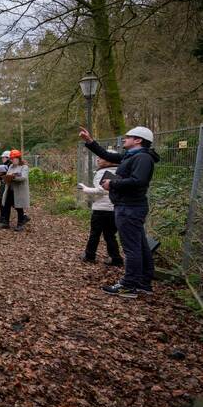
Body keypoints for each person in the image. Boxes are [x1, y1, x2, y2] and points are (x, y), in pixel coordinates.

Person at [79, 126, 160, 298]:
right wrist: (90, 142)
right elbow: (108, 156)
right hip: (128, 206)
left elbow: (139, 181)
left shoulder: (143, 158)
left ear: (138, 140)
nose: (124, 139)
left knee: (132, 248)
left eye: (128, 137)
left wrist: (112, 184)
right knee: (139, 245)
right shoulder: (132, 156)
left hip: (130, 208)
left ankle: (129, 285)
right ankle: (143, 283)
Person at [77, 156, 123, 266]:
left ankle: (89, 255)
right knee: (110, 234)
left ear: (110, 161)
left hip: (101, 208)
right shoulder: (120, 171)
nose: (98, 160)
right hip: (113, 208)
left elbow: (100, 190)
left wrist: (85, 189)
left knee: (95, 233)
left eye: (101, 158)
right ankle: (116, 258)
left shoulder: (102, 172)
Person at [0, 150, 30, 231]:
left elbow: (23, 177)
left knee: (19, 207)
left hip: (19, 191)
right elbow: (7, 176)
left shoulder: (24, 167)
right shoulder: (11, 166)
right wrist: (2, 177)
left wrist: (13, 177)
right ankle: (6, 223)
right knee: (6, 206)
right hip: (10, 190)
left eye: (13, 158)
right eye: (11, 159)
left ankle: (20, 224)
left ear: (18, 158)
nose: (12, 160)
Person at [0, 150, 11, 223]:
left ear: (8, 158)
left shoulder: (9, 165)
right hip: (3, 185)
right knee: (1, 200)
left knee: (5, 201)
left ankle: (4, 218)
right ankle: (2, 216)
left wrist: (2, 175)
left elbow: (9, 176)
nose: (2, 159)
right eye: (2, 157)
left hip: (7, 186)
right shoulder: (5, 165)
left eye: (4, 157)